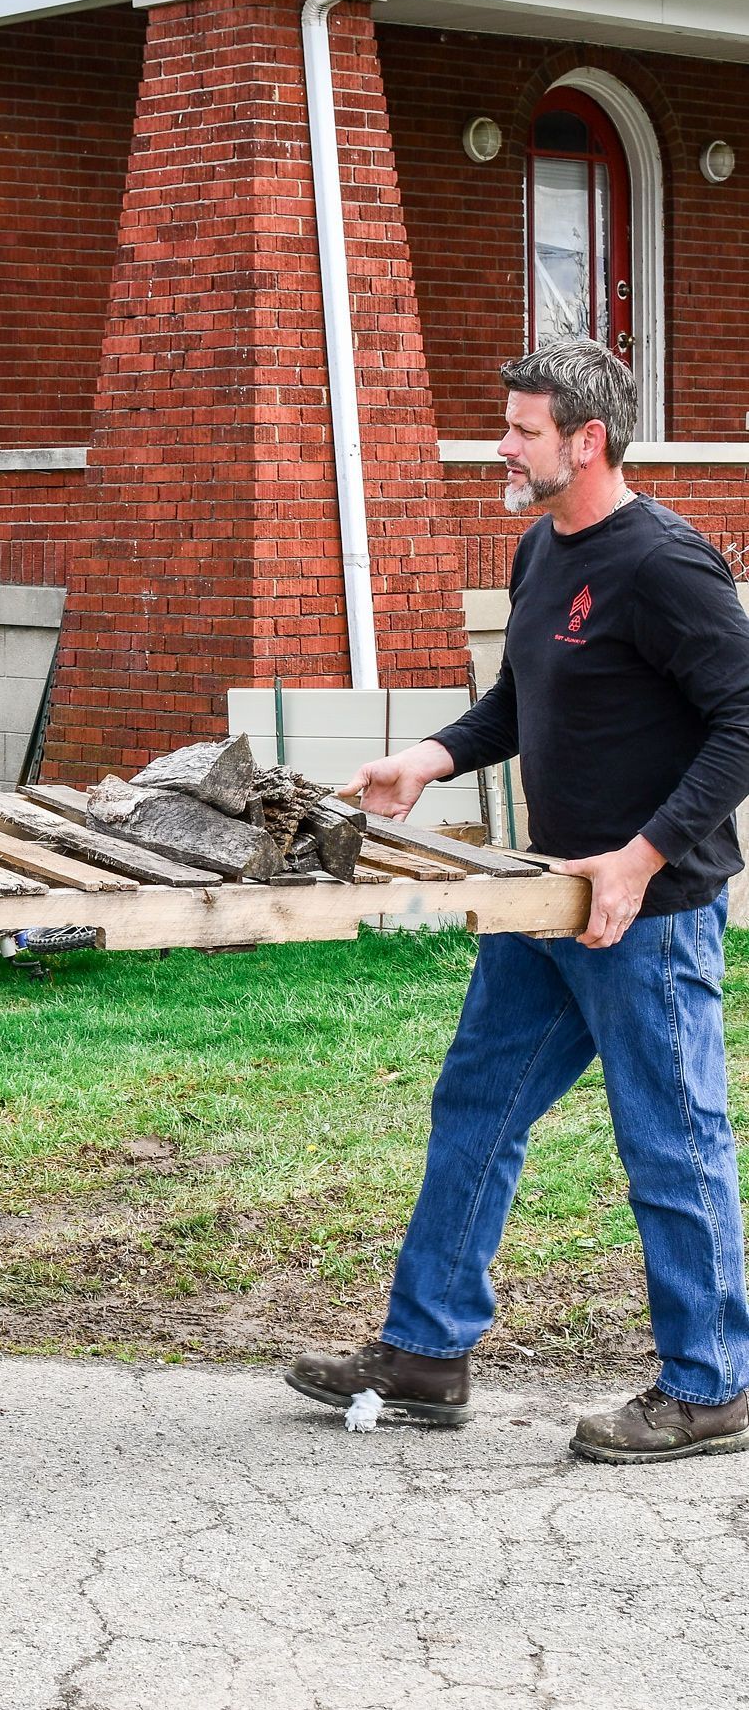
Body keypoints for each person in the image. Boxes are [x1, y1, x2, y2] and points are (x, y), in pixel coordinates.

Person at [288, 338, 749, 1463]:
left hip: (643, 910)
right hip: (543, 901)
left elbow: (741, 723)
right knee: (474, 1110)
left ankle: (712, 1383)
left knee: (671, 1144)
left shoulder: (665, 564)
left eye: (521, 427)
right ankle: (425, 1352)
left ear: (586, 439)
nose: (502, 443)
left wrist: (639, 858)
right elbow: (521, 696)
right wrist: (432, 759)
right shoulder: (541, 549)